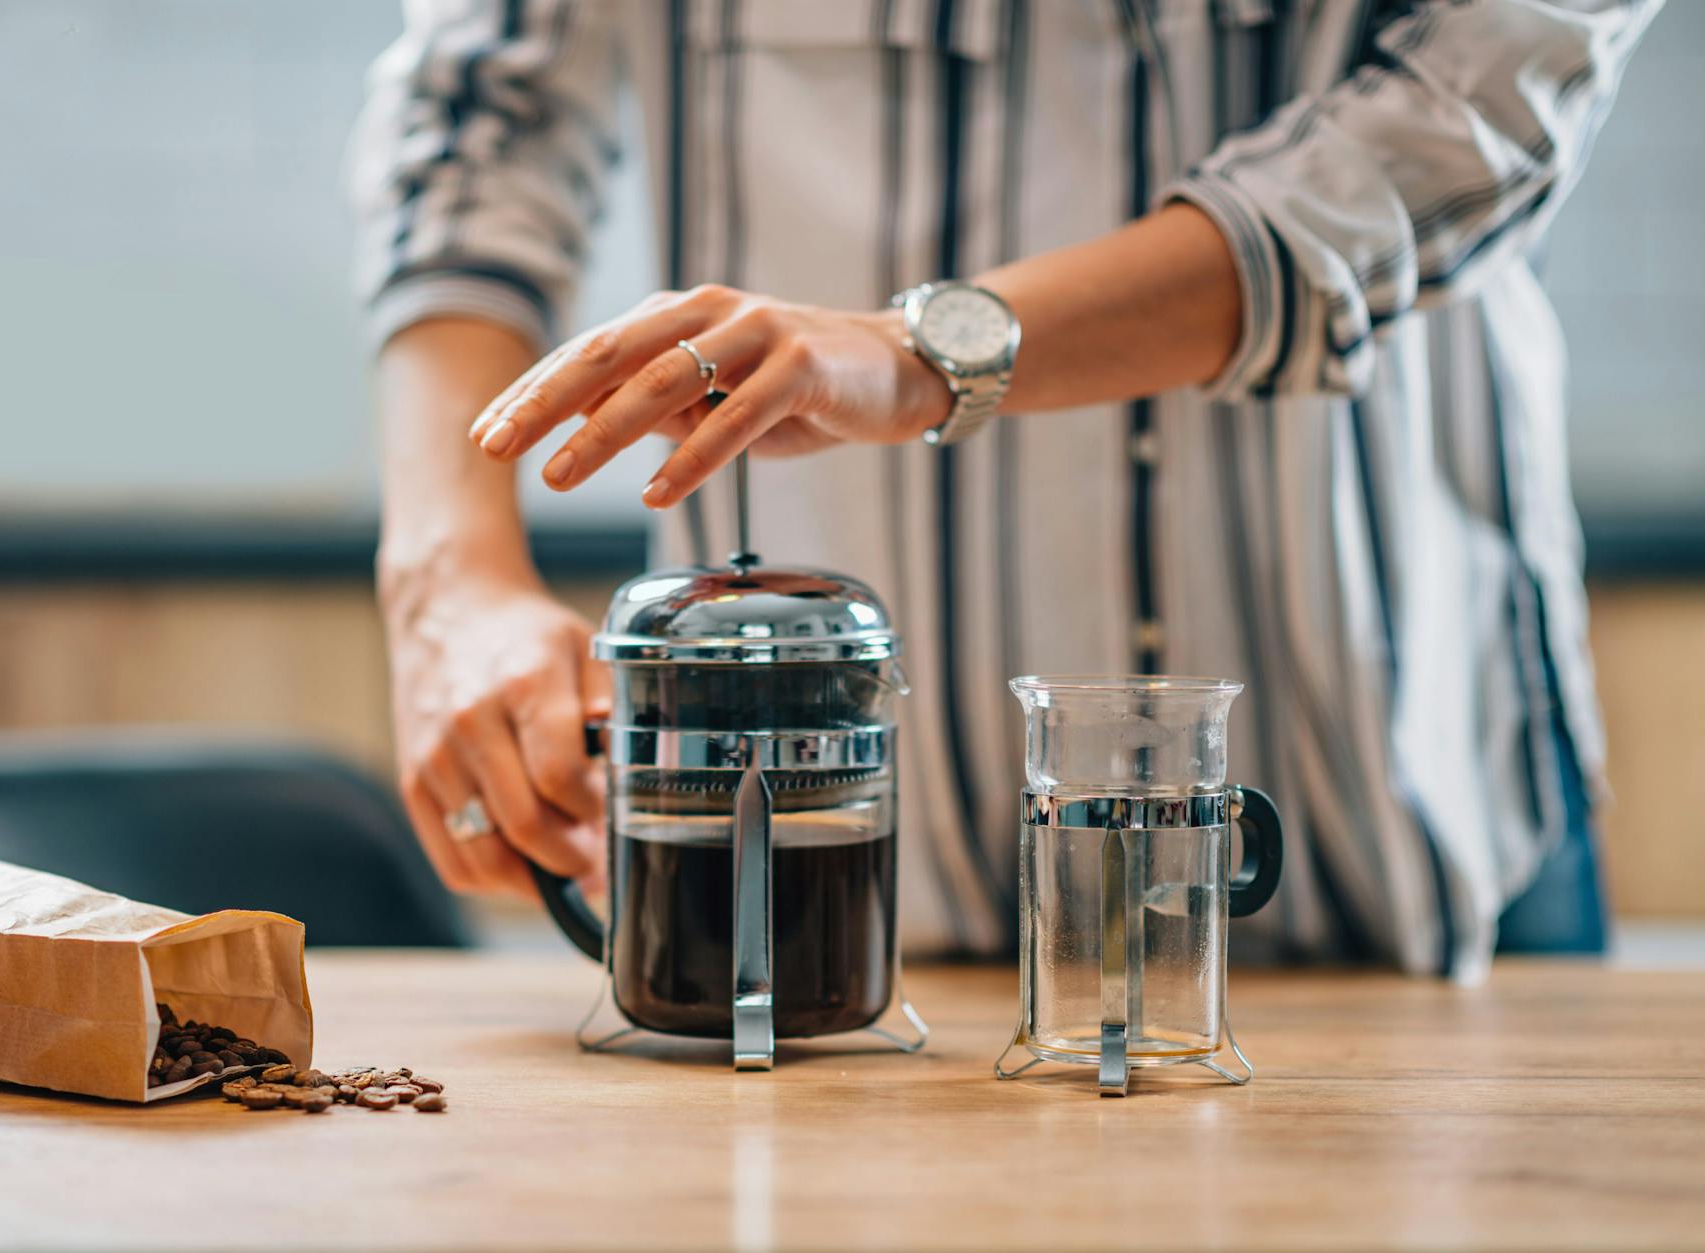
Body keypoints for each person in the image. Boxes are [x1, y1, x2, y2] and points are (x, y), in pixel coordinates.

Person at [348, 0, 1656, 981]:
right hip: (829, 916)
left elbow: (1467, 112)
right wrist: (449, 584)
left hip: (1407, 837)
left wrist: (931, 352)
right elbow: (475, 133)